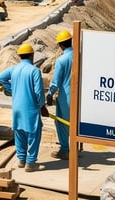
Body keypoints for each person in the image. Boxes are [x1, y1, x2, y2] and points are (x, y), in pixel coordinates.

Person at [0, 43, 47, 172]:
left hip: (17, 108)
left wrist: (11, 90)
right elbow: (39, 92)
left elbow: (0, 77)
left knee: (19, 133)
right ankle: (30, 163)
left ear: (19, 56)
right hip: (30, 108)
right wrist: (42, 106)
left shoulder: (14, 69)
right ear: (32, 55)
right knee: (33, 134)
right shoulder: (34, 71)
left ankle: (21, 160)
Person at [46, 29, 73, 160]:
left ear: (61, 45)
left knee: (62, 123)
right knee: (75, 123)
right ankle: (74, 147)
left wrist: (50, 94)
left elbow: (56, 81)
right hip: (79, 96)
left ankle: (65, 150)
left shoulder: (62, 60)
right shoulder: (80, 56)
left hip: (66, 97)